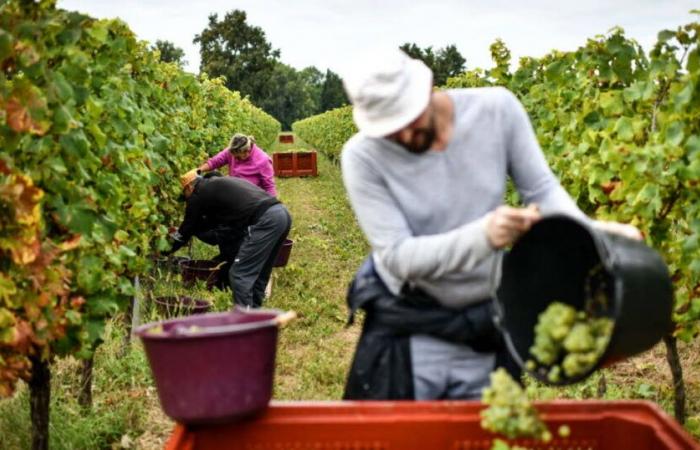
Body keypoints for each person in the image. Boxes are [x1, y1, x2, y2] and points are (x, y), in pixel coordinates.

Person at [339, 50, 641, 400]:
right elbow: (397, 257)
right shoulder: (362, 156)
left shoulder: (496, 111)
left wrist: (594, 234)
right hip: (412, 321)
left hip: (487, 317)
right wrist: (483, 236)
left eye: (409, 120)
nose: (404, 136)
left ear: (428, 87)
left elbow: (541, 189)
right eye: (391, 129)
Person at [165, 170, 291, 308]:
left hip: (266, 221)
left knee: (240, 274)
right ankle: (255, 318)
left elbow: (186, 229)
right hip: (281, 214)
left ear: (189, 187)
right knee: (259, 274)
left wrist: (165, 250)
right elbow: (217, 230)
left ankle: (245, 321)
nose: (186, 201)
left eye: (184, 196)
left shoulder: (198, 194)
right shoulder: (216, 186)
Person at [191, 133, 277, 197]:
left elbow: (269, 186)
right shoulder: (233, 151)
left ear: (246, 152)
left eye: (238, 157)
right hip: (234, 192)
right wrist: (198, 170)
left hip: (251, 197)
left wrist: (271, 206)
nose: (235, 159)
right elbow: (215, 161)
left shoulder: (263, 160)